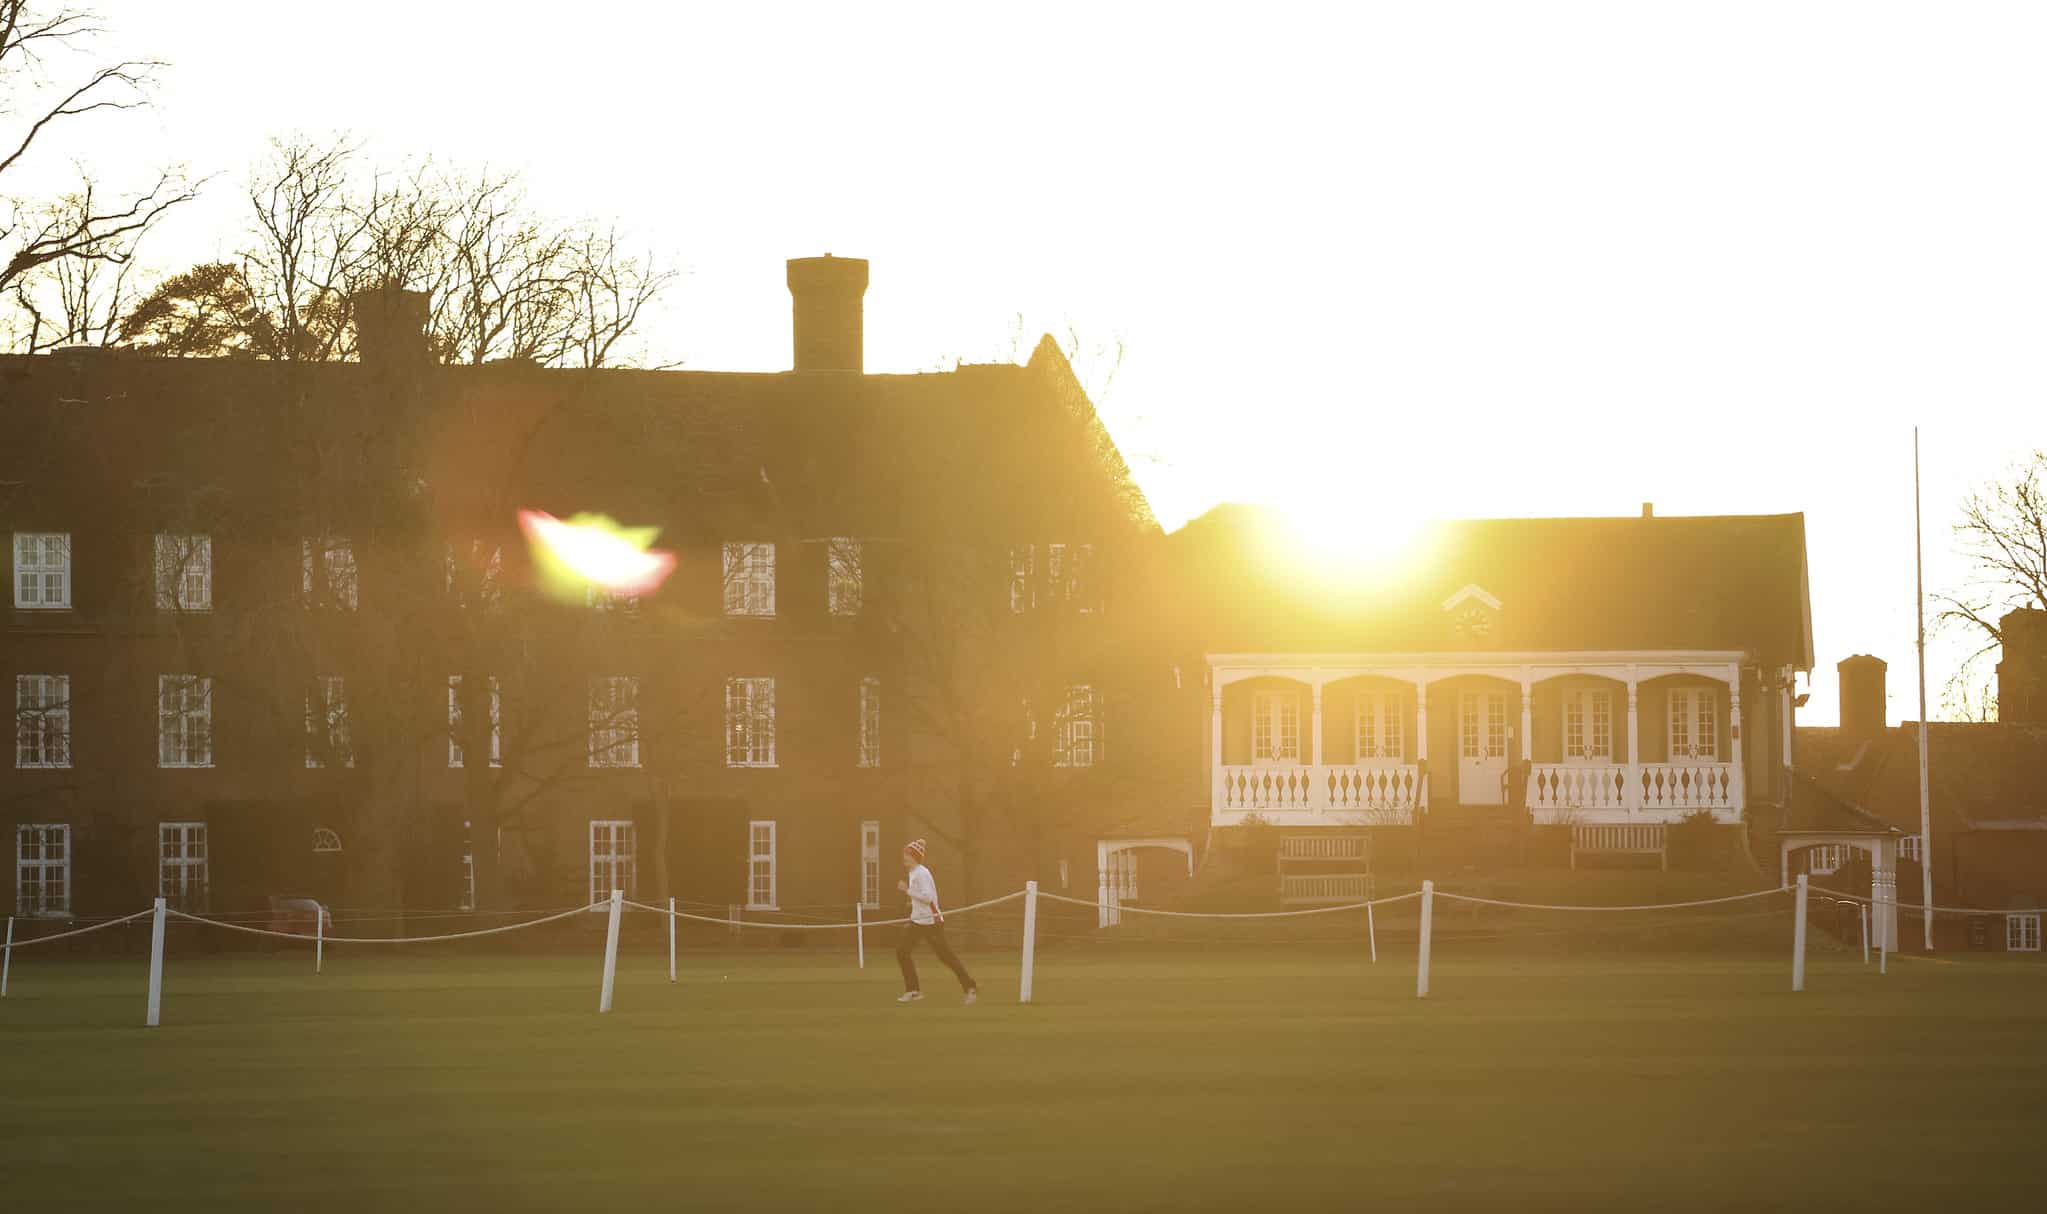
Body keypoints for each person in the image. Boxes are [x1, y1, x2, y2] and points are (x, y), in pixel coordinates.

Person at [895, 838, 977, 1005]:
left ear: (915, 857)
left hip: (932, 923)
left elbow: (928, 898)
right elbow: (922, 898)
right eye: (904, 854)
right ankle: (913, 990)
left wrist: (907, 891)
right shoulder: (913, 872)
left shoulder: (921, 873)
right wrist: (912, 904)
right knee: (902, 951)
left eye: (907, 854)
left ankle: (970, 987)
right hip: (918, 922)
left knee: (946, 957)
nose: (904, 857)